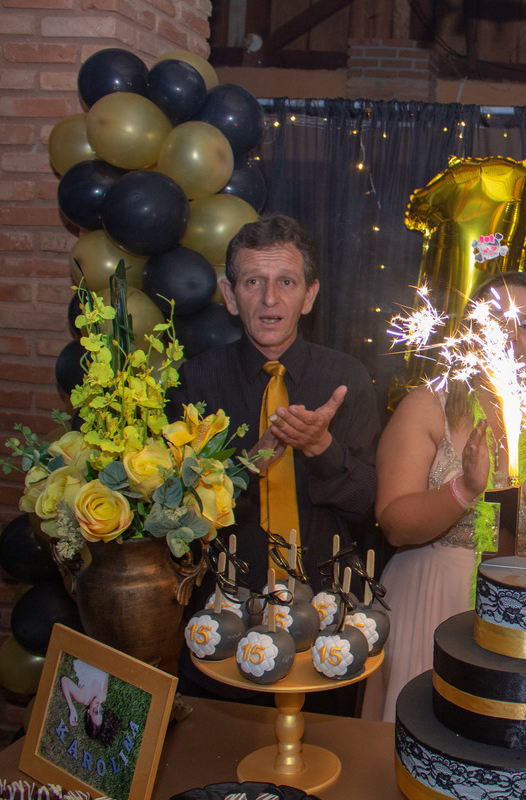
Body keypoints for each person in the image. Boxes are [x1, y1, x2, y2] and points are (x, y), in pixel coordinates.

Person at [361, 270, 526, 722]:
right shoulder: (428, 404)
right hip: (427, 599)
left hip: (524, 612)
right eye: (495, 321)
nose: (511, 337)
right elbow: (393, 525)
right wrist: (464, 490)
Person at [168, 215, 379, 709]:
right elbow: (175, 514)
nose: (269, 299)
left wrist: (321, 448)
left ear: (309, 296)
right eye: (252, 282)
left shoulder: (346, 377)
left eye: (286, 282)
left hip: (327, 625)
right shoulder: (194, 381)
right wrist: (247, 467)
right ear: (229, 295)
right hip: (223, 615)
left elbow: (367, 504)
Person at [60, 658, 118, 747]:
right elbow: (106, 672)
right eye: (101, 711)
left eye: (95, 711)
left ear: (88, 713)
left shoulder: (83, 697)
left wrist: (72, 708)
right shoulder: (103, 697)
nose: (98, 706)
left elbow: (64, 680)